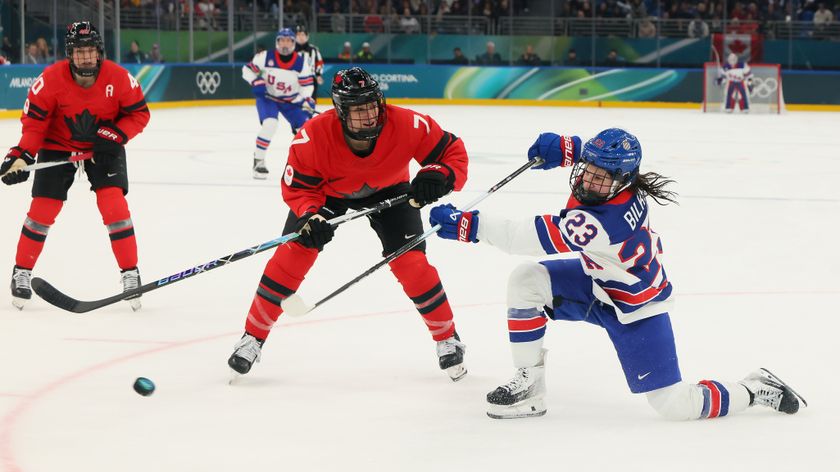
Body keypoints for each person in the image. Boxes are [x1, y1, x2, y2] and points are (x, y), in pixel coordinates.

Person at [428, 129, 806, 420]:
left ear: (623, 180)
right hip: (597, 283)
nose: (588, 181)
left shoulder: (597, 221)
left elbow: (524, 236)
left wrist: (468, 226)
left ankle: (754, 389)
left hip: (636, 306)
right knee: (527, 281)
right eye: (586, 169)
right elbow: (596, 157)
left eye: (600, 176)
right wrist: (567, 147)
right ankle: (530, 384)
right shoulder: (616, 182)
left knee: (674, 405)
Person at [227, 67, 470, 382]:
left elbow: (453, 153)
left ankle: (447, 337)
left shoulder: (407, 123)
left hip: (391, 191)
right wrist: (310, 215)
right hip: (329, 195)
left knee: (412, 264)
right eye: (358, 109)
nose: (369, 116)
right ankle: (252, 337)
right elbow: (299, 189)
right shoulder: (312, 136)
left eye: (372, 106)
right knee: (292, 255)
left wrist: (440, 174)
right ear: (341, 112)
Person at [1, 21, 150, 311]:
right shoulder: (51, 79)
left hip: (103, 147)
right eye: (79, 51)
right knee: (42, 210)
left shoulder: (119, 78)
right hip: (58, 145)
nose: (85, 57)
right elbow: (34, 125)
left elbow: (139, 114)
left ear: (99, 52)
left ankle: (130, 273)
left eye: (90, 50)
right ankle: (21, 271)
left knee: (114, 208)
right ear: (70, 54)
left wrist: (116, 135)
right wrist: (22, 155)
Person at [242, 27, 315, 179]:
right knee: (270, 124)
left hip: (291, 101)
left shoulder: (301, 63)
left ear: (293, 43)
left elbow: (307, 85)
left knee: (305, 130)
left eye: (288, 41)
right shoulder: (264, 57)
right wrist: (256, 81)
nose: (285, 44)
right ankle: (259, 160)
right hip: (268, 98)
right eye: (282, 40)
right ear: (277, 42)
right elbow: (247, 70)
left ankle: (307, 166)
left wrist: (306, 99)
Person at [293, 25, 324, 101]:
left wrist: (318, 75)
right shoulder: (291, 50)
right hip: (294, 79)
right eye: (298, 35)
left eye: (302, 34)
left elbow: (319, 62)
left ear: (307, 36)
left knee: (310, 103)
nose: (300, 37)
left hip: (311, 79)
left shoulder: (314, 49)